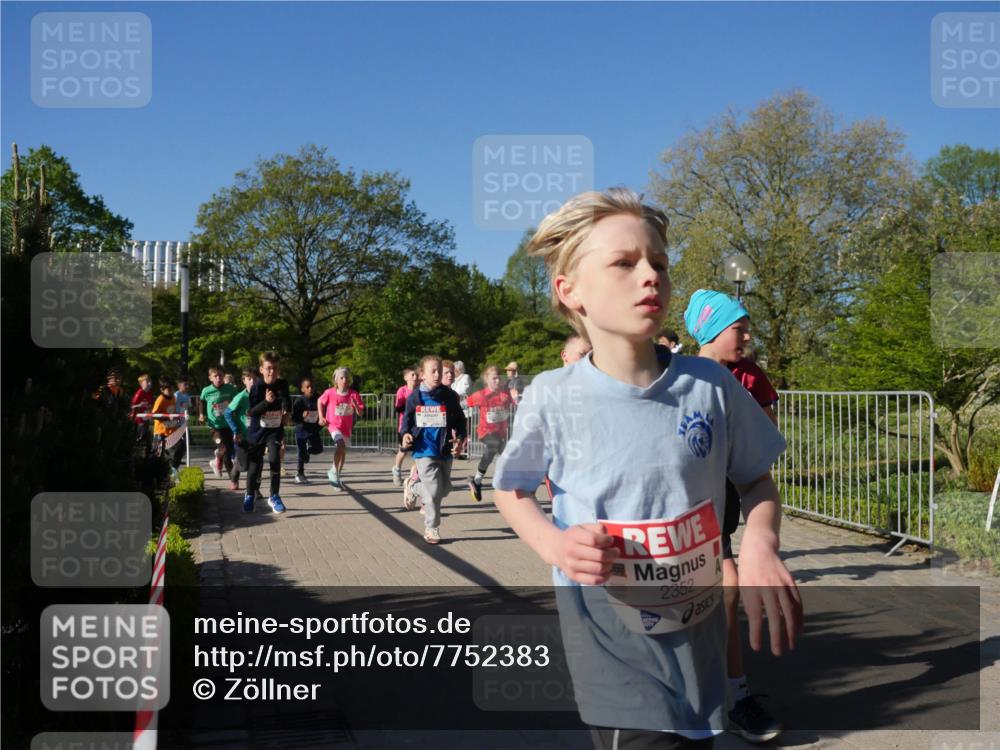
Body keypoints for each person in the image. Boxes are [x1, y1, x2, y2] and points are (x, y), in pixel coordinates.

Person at [492, 187, 801, 749]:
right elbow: (511, 490)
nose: (650, 275)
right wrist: (554, 546)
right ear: (571, 291)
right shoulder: (552, 395)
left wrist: (760, 542)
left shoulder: (710, 386)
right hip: (612, 646)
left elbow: (756, 479)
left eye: (658, 262)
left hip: (698, 638)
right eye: (624, 263)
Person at [685, 288, 782, 743]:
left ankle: (736, 695)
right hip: (674, 514)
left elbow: (763, 451)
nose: (745, 336)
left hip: (720, 505)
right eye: (737, 328)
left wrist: (763, 538)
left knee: (726, 592)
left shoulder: (746, 378)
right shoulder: (676, 377)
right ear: (710, 331)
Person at [400, 355, 468, 544]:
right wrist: (405, 434)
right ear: (422, 374)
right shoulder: (416, 396)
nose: (438, 374)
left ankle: (413, 487)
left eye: (440, 370)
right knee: (434, 490)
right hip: (423, 449)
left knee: (445, 489)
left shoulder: (449, 396)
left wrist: (461, 439)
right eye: (433, 371)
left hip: (444, 448)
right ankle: (432, 528)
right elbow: (406, 419)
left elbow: (460, 420)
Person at [244, 351, 291, 514]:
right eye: (268, 368)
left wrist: (286, 412)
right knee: (254, 466)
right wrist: (266, 402)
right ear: (261, 370)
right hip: (257, 431)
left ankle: (274, 496)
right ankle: (249, 494)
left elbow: (287, 402)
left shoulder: (283, 384)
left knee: (274, 459)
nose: (272, 372)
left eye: (275, 368)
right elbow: (251, 412)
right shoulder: (257, 387)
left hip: (275, 430)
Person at [464, 365, 513, 502]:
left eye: (499, 377)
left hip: (500, 434)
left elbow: (516, 401)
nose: (497, 380)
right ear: (486, 380)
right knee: (493, 445)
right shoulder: (481, 395)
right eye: (494, 378)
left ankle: (477, 482)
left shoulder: (505, 394)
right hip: (485, 432)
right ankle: (480, 481)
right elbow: (465, 403)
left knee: (508, 456)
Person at [317, 366, 364, 490]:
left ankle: (337, 476)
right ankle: (333, 470)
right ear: (336, 380)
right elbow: (319, 401)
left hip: (346, 428)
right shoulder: (330, 392)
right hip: (333, 425)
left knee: (343, 453)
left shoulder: (354, 394)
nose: (344, 380)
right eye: (341, 378)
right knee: (340, 445)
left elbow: (361, 413)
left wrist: (356, 406)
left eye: (346, 378)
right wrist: (321, 417)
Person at [199, 367, 240, 480]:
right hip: (214, 426)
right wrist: (201, 414)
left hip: (228, 425)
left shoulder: (230, 388)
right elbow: (201, 402)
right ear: (210, 378)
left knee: (229, 452)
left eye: (220, 376)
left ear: (223, 376)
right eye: (215, 376)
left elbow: (237, 401)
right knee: (223, 449)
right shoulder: (206, 391)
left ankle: (219, 463)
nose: (218, 378)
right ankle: (231, 476)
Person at [223, 367, 257, 494]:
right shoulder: (241, 397)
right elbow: (227, 413)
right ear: (244, 381)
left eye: (254, 378)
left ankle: (254, 490)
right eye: (249, 379)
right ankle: (234, 476)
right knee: (244, 466)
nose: (252, 381)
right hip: (242, 436)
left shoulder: (260, 395)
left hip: (256, 435)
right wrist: (236, 431)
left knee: (255, 463)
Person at [151, 376, 185, 482]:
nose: (171, 391)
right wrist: (167, 417)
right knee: (158, 455)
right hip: (160, 432)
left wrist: (176, 418)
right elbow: (154, 415)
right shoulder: (160, 399)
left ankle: (173, 469)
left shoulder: (174, 398)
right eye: (168, 389)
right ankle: (157, 477)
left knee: (181, 447)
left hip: (171, 430)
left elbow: (172, 412)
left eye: (172, 389)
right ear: (162, 390)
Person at [291, 376, 324, 484]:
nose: (310, 389)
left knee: (319, 449)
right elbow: (294, 418)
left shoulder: (319, 398)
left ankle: (308, 452)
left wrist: (321, 422)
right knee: (301, 452)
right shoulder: (299, 401)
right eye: (308, 387)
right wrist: (302, 416)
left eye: (312, 386)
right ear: (302, 389)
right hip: (301, 430)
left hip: (313, 429)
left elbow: (324, 411)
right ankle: (300, 474)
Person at [391, 367, 419, 486]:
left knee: (419, 452)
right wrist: (409, 403)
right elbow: (398, 408)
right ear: (405, 377)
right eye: (412, 375)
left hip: (418, 426)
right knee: (403, 451)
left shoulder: (420, 390)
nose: (415, 377)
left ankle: (416, 475)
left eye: (416, 375)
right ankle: (397, 470)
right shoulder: (402, 391)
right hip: (405, 425)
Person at [130, 373, 155, 448]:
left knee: (147, 438)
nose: (150, 383)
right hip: (138, 420)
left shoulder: (150, 393)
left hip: (146, 419)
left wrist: (151, 412)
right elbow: (131, 406)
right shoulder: (139, 392)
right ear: (141, 383)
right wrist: (139, 405)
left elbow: (150, 406)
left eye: (150, 381)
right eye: (147, 381)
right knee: (140, 437)